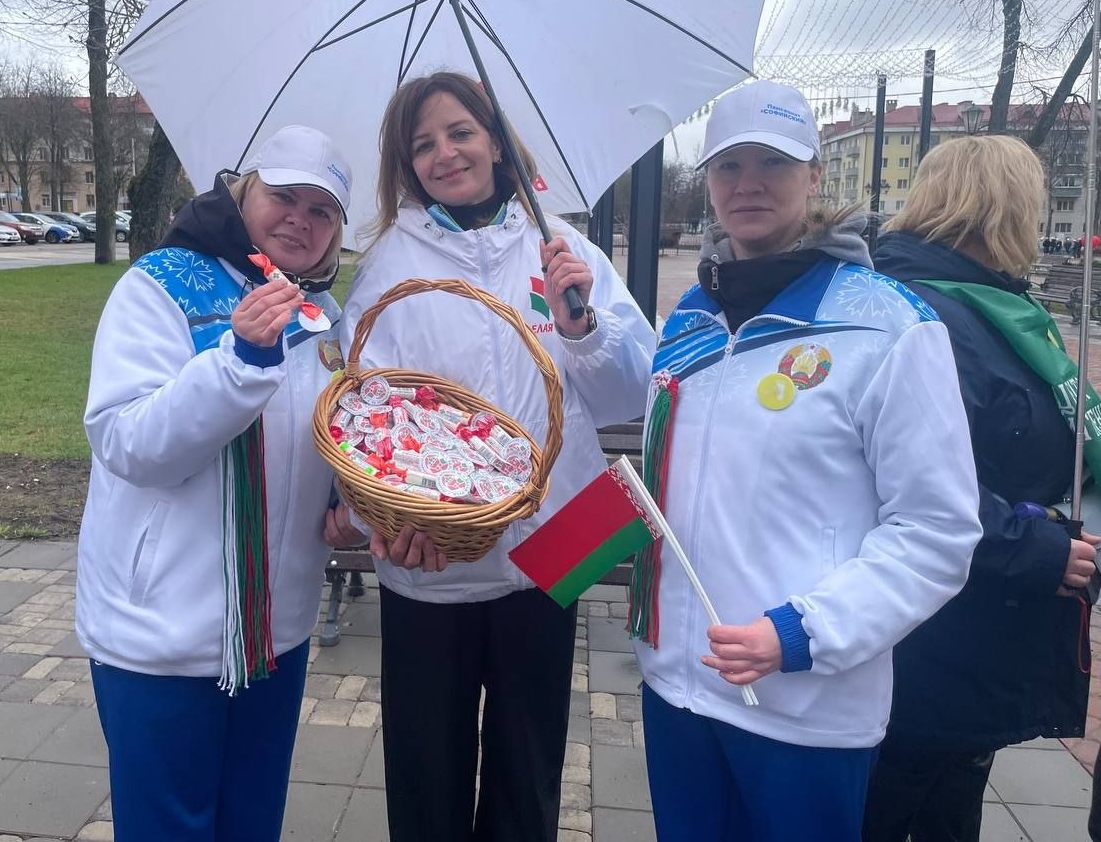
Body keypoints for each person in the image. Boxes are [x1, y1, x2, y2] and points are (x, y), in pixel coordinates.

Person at [630, 80, 982, 842]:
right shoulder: (688, 321)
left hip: (803, 709)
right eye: (729, 166)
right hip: (678, 691)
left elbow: (937, 531)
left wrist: (803, 633)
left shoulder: (890, 326)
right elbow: (669, 488)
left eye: (774, 163)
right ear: (709, 181)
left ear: (816, 175)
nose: (748, 184)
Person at [328, 71, 656, 842]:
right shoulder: (388, 268)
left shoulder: (565, 249)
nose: (444, 154)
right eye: (423, 145)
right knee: (427, 777)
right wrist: (378, 519)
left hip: (558, 548)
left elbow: (632, 393)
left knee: (528, 773)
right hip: (434, 563)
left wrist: (583, 328)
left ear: (499, 142)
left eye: (461, 132)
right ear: (407, 166)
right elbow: (359, 421)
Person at [76, 125, 361, 842]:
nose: (300, 220)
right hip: (161, 635)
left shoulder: (324, 317)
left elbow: (324, 442)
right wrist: (240, 362)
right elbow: (127, 442)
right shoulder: (157, 285)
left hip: (275, 632)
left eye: (322, 211)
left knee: (252, 826)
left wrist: (348, 501)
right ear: (245, 193)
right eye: (284, 197)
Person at [863, 135, 1099, 842]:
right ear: (1007, 211)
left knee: (950, 798)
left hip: (982, 625)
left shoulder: (996, 308)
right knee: (901, 801)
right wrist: (1038, 546)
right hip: (941, 630)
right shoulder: (932, 314)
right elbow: (918, 480)